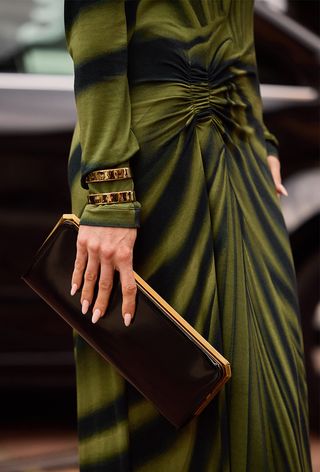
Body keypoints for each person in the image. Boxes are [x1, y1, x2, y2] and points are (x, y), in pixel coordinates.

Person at [64, 1, 312, 470]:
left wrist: (260, 135)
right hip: (148, 165)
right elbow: (96, 33)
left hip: (237, 150)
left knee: (265, 383)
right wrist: (109, 194)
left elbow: (238, 27)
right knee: (167, 389)